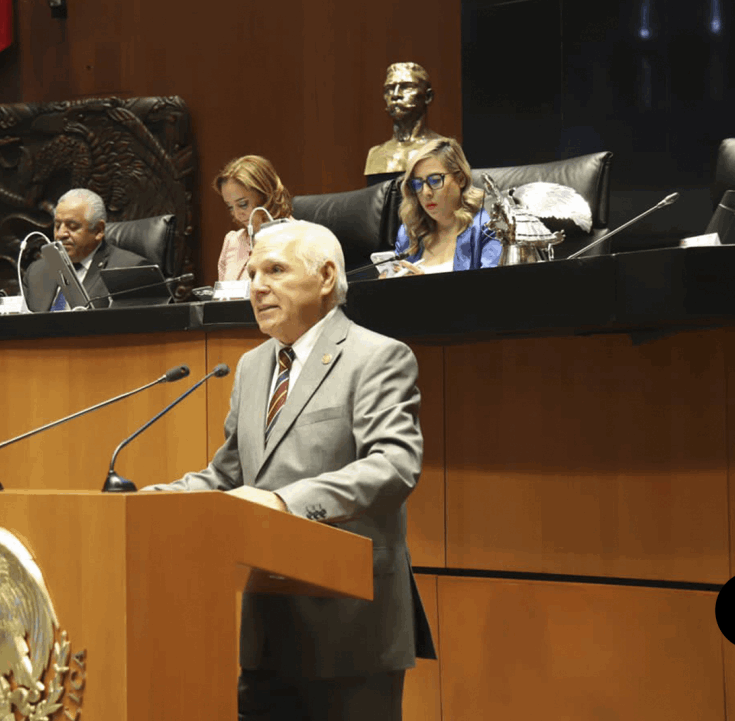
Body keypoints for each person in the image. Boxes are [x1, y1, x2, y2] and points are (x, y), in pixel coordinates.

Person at [143, 220, 434, 721]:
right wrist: (158, 500)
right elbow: (228, 476)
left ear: (326, 277)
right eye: (252, 273)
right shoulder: (253, 366)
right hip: (268, 629)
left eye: (275, 270)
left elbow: (393, 466)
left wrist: (284, 502)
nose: (256, 287)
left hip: (351, 627)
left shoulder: (377, 357)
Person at [23, 188, 151, 311]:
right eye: (57, 226)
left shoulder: (129, 271)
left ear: (98, 230)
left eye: (72, 226)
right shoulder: (37, 271)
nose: (60, 234)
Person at [388, 138, 501, 276]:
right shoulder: (410, 233)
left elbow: (495, 287)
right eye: (417, 184)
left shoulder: (491, 226)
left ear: (460, 179)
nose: (426, 192)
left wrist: (425, 286)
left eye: (435, 180)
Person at [214, 155, 294, 282]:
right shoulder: (233, 241)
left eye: (243, 204)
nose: (237, 214)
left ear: (265, 195)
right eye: (230, 207)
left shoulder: (298, 238)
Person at [364, 63, 446, 178]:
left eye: (407, 87)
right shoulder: (375, 154)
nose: (395, 95)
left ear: (428, 97)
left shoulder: (444, 150)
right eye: (389, 89)